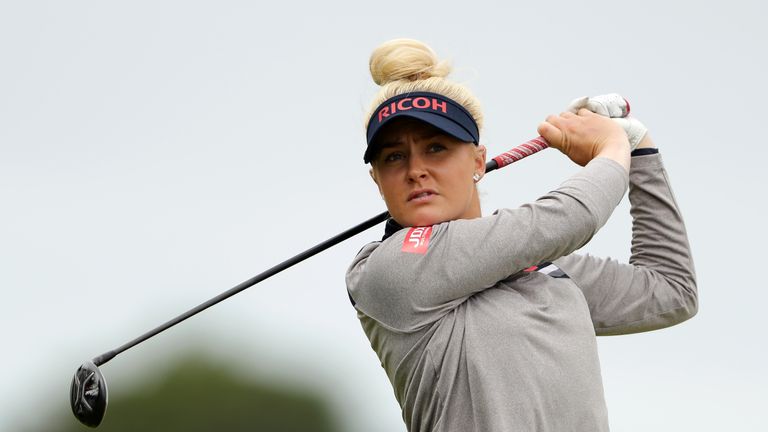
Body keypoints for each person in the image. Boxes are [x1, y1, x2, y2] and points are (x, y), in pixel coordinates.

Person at [345, 38, 697, 432]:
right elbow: (569, 218)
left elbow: (670, 290)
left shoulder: (541, 271)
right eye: (394, 157)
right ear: (377, 179)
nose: (415, 170)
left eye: (436, 148)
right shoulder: (387, 270)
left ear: (478, 161)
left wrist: (639, 146)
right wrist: (613, 149)